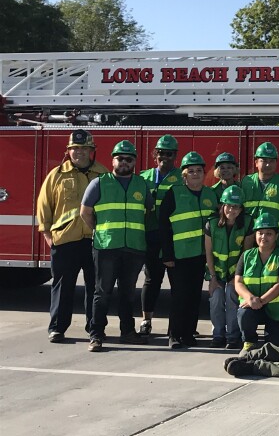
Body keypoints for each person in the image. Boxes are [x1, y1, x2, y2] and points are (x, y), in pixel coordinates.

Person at [79, 140, 152, 352]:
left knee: (128, 293)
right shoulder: (99, 183)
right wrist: (100, 229)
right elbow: (85, 212)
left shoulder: (141, 184)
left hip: (134, 247)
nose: (124, 162)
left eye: (129, 159)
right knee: (102, 292)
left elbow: (148, 211)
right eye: (120, 158)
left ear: (134, 162)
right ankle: (96, 334)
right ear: (113, 160)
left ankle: (127, 332)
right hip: (106, 247)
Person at [36, 129, 107, 343]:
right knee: (62, 286)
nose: (79, 153)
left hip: (95, 242)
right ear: (68, 151)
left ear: (92, 151)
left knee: (95, 288)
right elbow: (44, 207)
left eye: (84, 148)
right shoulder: (56, 175)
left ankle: (94, 328)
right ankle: (57, 328)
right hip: (64, 241)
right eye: (75, 149)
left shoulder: (103, 175)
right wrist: (50, 237)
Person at [159, 152, 217, 349]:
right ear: (184, 175)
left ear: (204, 173)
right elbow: (164, 226)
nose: (195, 174)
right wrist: (167, 254)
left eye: (198, 171)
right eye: (190, 171)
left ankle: (189, 333)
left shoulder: (211, 194)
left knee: (194, 295)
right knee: (179, 296)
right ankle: (174, 335)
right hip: (179, 255)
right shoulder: (173, 193)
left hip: (201, 255)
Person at [139, 134, 180, 337]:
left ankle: (179, 323)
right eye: (161, 153)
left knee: (177, 284)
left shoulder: (182, 177)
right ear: (155, 154)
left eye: (169, 153)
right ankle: (146, 320)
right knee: (151, 281)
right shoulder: (143, 177)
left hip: (174, 237)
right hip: (151, 236)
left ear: (175, 155)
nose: (164, 157)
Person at [235, 214, 279, 350]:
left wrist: (260, 301)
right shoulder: (246, 255)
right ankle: (249, 341)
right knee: (244, 314)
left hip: (276, 311)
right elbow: (238, 282)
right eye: (260, 233)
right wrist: (250, 298)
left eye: (268, 233)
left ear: (276, 236)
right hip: (252, 305)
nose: (263, 237)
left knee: (276, 347)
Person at [204, 184, 251, 349]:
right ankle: (218, 335)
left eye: (237, 207)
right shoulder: (212, 224)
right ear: (223, 206)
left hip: (236, 274)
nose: (233, 210)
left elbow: (246, 254)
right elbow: (208, 253)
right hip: (216, 272)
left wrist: (236, 279)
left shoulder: (247, 223)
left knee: (232, 295)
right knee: (216, 297)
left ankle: (233, 336)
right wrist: (212, 278)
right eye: (229, 206)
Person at [242, 141, 279, 247]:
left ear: (276, 163)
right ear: (256, 162)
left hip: (275, 242)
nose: (268, 164)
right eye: (264, 160)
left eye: (272, 161)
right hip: (248, 241)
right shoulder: (246, 182)